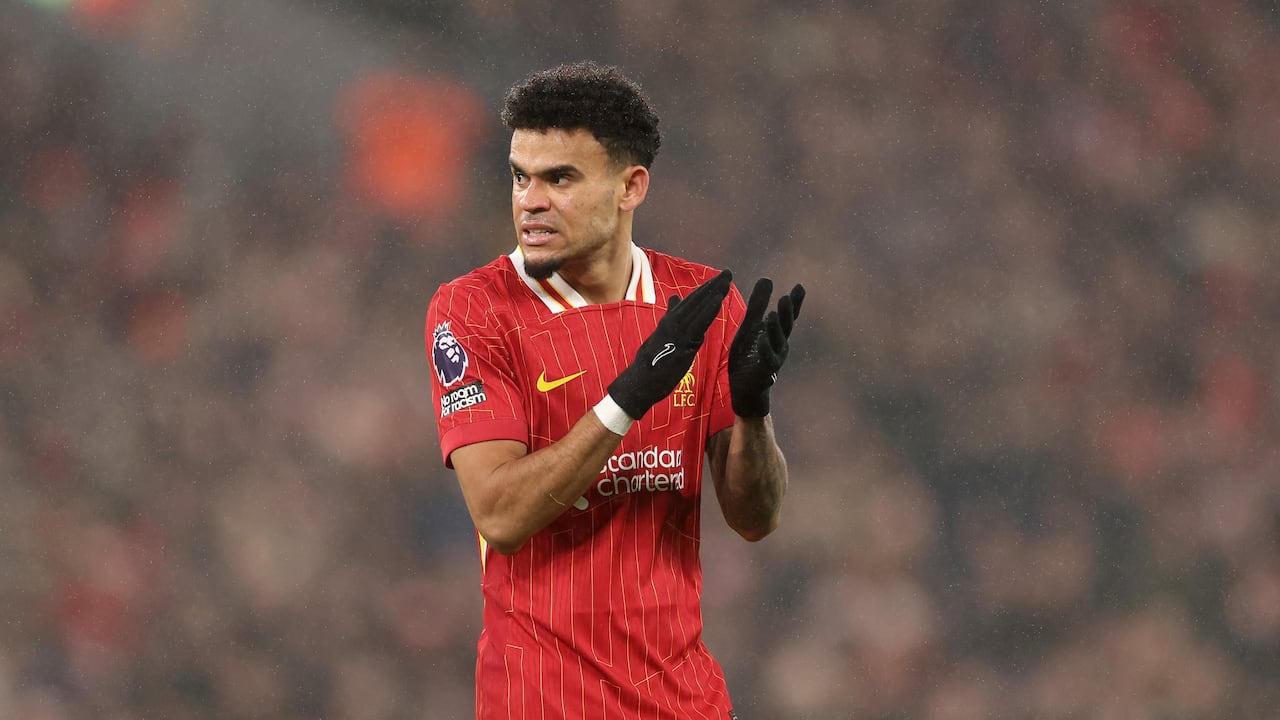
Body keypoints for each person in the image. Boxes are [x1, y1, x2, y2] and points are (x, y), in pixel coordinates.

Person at [425, 61, 805, 720]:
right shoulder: (475, 309)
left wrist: (753, 415)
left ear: (631, 186)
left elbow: (755, 518)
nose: (530, 200)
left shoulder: (702, 301)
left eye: (560, 178)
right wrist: (629, 395)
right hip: (540, 703)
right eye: (521, 176)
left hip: (685, 703)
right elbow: (500, 516)